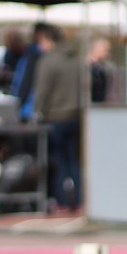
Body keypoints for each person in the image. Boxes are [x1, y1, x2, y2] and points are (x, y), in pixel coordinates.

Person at [33, 24, 82, 212]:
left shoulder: (48, 61)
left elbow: (42, 91)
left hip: (56, 117)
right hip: (76, 115)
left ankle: (62, 201)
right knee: (75, 161)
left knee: (59, 161)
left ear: (47, 39)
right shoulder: (76, 59)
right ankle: (79, 200)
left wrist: (38, 112)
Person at [87, 37, 116, 104]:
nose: (107, 53)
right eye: (105, 50)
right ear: (96, 49)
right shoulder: (87, 67)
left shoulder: (104, 68)